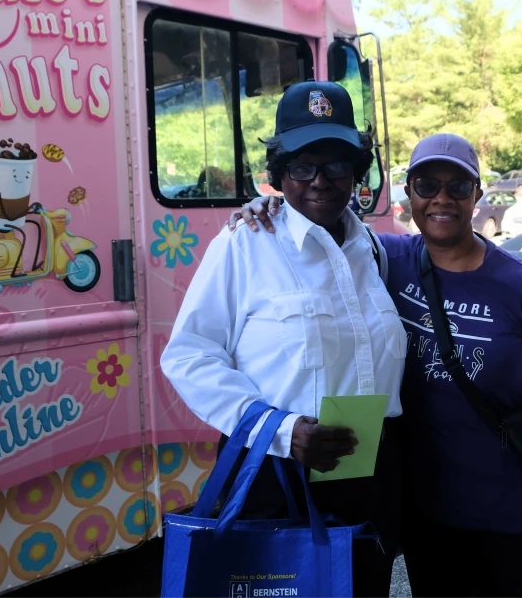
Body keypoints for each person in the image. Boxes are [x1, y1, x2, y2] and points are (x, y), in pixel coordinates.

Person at [230, 133, 522, 597]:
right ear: (409, 193)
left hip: (508, 502)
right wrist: (266, 205)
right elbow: (322, 218)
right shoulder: (385, 257)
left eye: (458, 186)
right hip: (425, 502)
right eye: (426, 184)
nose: (442, 198)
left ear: (478, 194)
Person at [161, 81, 408, 597]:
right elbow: (189, 355)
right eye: (301, 165)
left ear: (357, 172)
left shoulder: (373, 250)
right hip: (277, 477)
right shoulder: (245, 242)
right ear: (279, 174)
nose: (320, 180)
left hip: (369, 478)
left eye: (337, 164)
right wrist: (282, 430)